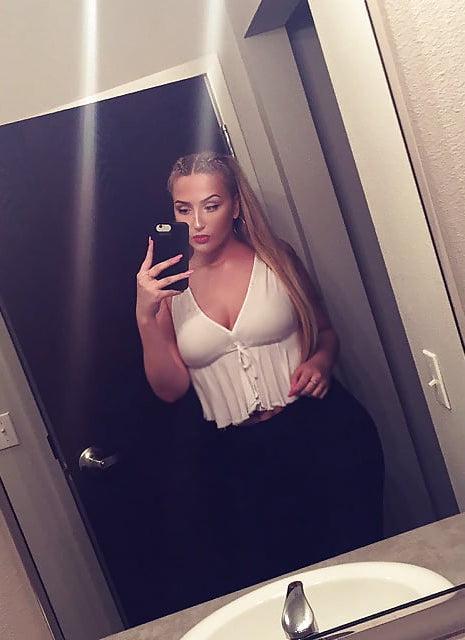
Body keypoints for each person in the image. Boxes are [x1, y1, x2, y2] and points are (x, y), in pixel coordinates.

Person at [136, 151, 384, 594]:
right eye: (183, 209)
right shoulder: (167, 288)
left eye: (211, 205)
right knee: (278, 586)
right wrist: (144, 317)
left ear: (235, 205)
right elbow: (170, 390)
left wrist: (321, 362)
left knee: (355, 568)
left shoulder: (275, 258)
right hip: (237, 457)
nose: (197, 223)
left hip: (321, 430)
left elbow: (325, 332)